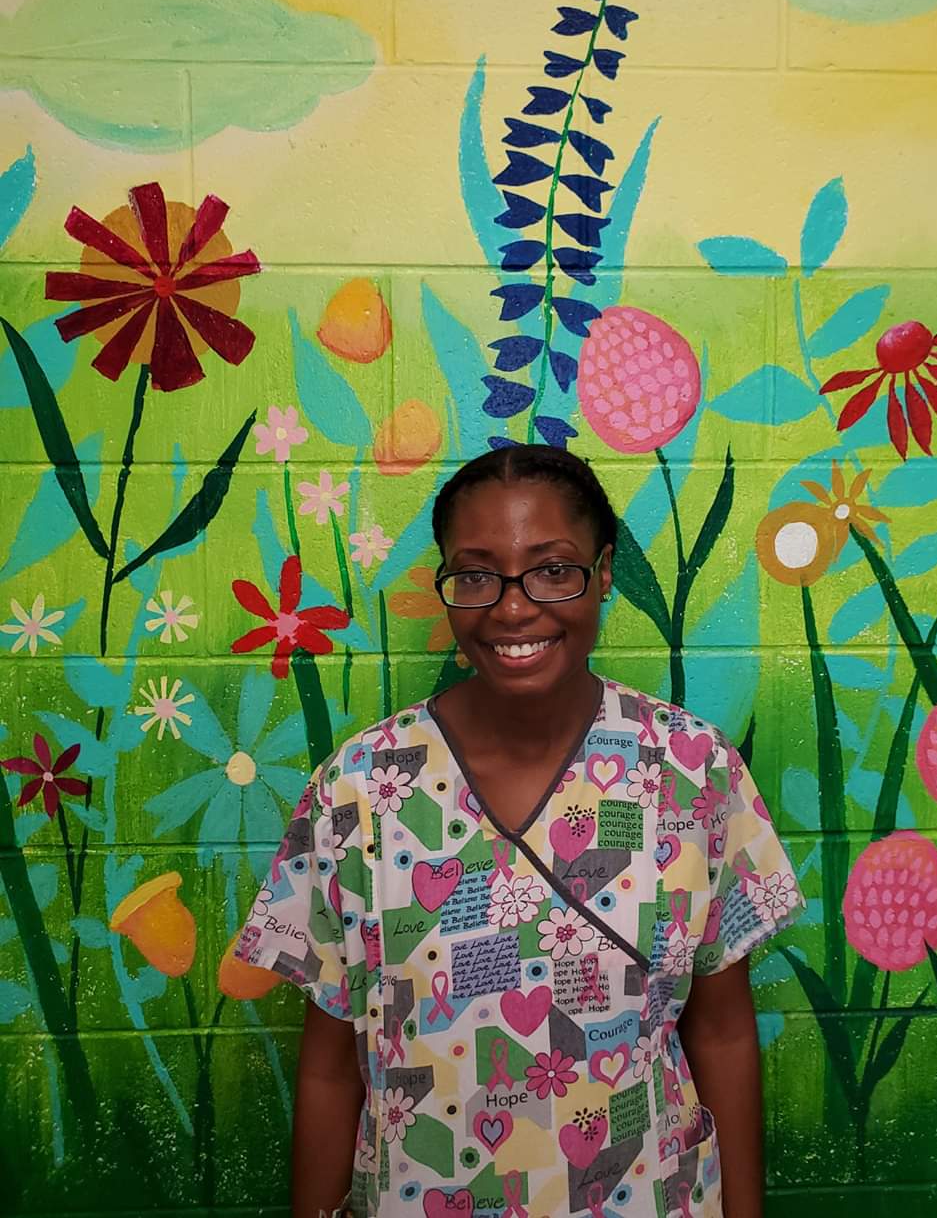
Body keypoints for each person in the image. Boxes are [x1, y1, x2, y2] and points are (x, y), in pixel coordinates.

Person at [235, 445, 804, 1218]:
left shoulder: (691, 770)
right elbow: (331, 1068)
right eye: (476, 575)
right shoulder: (360, 789)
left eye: (553, 569)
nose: (511, 607)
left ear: (604, 573)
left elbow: (725, 1033)